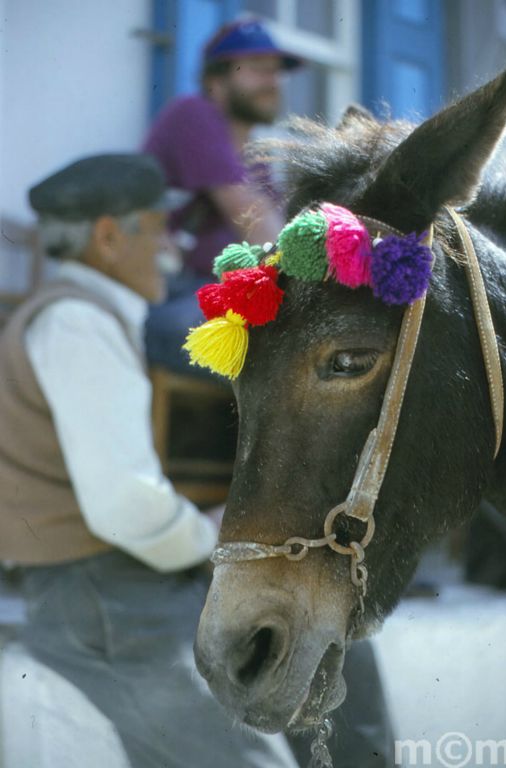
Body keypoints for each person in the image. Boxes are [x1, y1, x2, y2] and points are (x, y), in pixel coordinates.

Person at [0, 153, 299, 768]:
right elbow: (124, 508)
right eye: (160, 225)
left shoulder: (83, 316)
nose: (175, 244)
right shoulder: (78, 323)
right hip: (102, 599)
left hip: (109, 586)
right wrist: (207, 535)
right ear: (109, 236)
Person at [143, 17, 302, 374]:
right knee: (272, 349)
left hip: (205, 294)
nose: (273, 82)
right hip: (160, 299)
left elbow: (277, 233)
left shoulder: (255, 156)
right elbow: (257, 222)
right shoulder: (194, 115)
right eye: (259, 70)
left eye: (277, 72)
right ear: (216, 82)